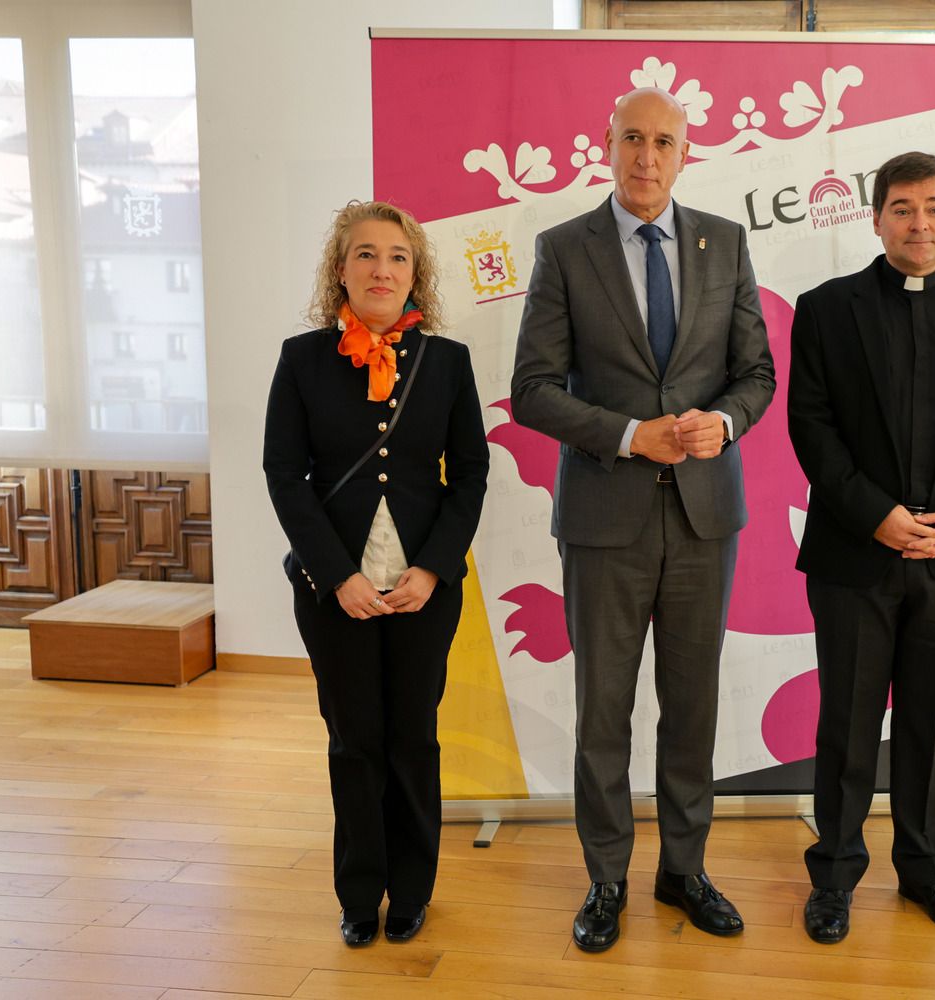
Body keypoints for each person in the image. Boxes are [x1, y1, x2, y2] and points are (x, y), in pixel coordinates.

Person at [511, 87, 775, 952]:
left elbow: (756, 374)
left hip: (705, 517)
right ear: (608, 144)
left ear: (685, 150)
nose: (647, 157)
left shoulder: (725, 242)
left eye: (664, 141)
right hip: (603, 518)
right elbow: (533, 390)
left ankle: (685, 870)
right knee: (604, 711)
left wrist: (722, 423)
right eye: (633, 138)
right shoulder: (562, 249)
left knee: (693, 704)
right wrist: (630, 436)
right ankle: (606, 880)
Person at [787, 152, 935, 943]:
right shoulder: (825, 309)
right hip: (857, 551)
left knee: (931, 727)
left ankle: (928, 872)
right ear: (877, 218)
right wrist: (876, 516)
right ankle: (833, 878)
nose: (918, 222)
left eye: (933, 206)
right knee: (848, 726)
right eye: (902, 208)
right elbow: (811, 428)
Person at [263, 201, 488, 947]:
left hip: (425, 587)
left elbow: (472, 476)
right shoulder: (301, 360)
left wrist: (433, 567)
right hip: (336, 591)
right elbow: (283, 474)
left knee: (413, 739)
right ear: (341, 269)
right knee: (354, 740)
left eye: (396, 255)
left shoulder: (447, 362)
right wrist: (336, 576)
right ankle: (360, 893)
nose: (381, 268)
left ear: (414, 272)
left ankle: (413, 890)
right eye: (365, 254)